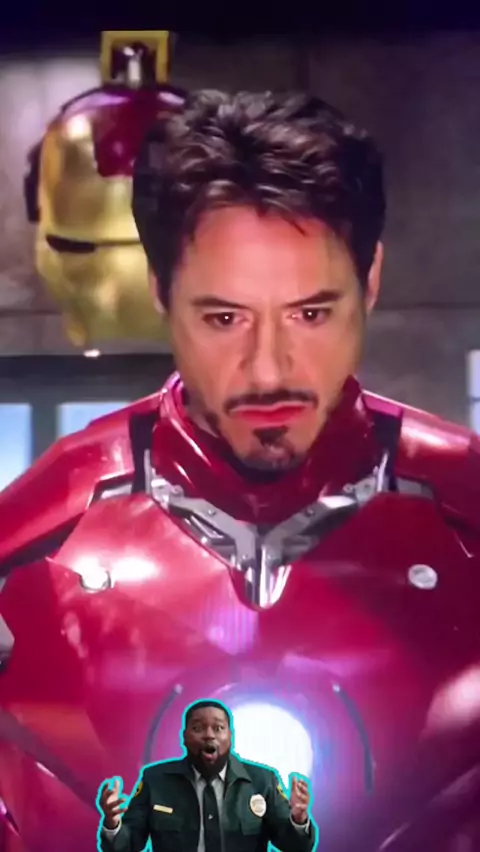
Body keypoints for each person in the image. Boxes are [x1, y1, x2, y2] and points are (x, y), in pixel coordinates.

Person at [1, 89, 480, 852]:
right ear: (161, 292)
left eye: (310, 314)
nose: (269, 370)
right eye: (224, 318)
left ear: (371, 281)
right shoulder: (34, 534)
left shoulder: (466, 509)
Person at [97, 700, 316, 852]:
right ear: (184, 737)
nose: (209, 735)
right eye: (198, 728)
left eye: (218, 728)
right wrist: (113, 824)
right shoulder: (155, 780)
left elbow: (296, 847)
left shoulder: (262, 781)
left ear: (230, 737)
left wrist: (299, 820)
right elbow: (126, 846)